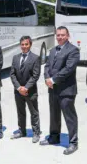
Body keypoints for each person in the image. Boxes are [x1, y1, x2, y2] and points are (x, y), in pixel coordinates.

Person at [41, 26, 80, 155]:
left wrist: (53, 80)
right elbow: (47, 66)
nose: (60, 37)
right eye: (58, 35)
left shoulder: (73, 50)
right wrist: (47, 78)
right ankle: (54, 137)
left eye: (63, 35)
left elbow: (68, 69)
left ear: (68, 36)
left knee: (70, 117)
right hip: (53, 90)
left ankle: (73, 143)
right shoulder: (53, 50)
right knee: (54, 115)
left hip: (66, 90)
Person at [9, 36, 42, 143]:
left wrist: (26, 87)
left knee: (34, 112)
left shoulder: (35, 58)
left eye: (26, 44)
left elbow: (35, 75)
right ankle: (22, 131)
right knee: (20, 111)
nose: (24, 46)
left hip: (30, 91)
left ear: (30, 45)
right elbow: (12, 74)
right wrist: (19, 87)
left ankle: (36, 132)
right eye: (22, 44)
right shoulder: (15, 58)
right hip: (18, 91)